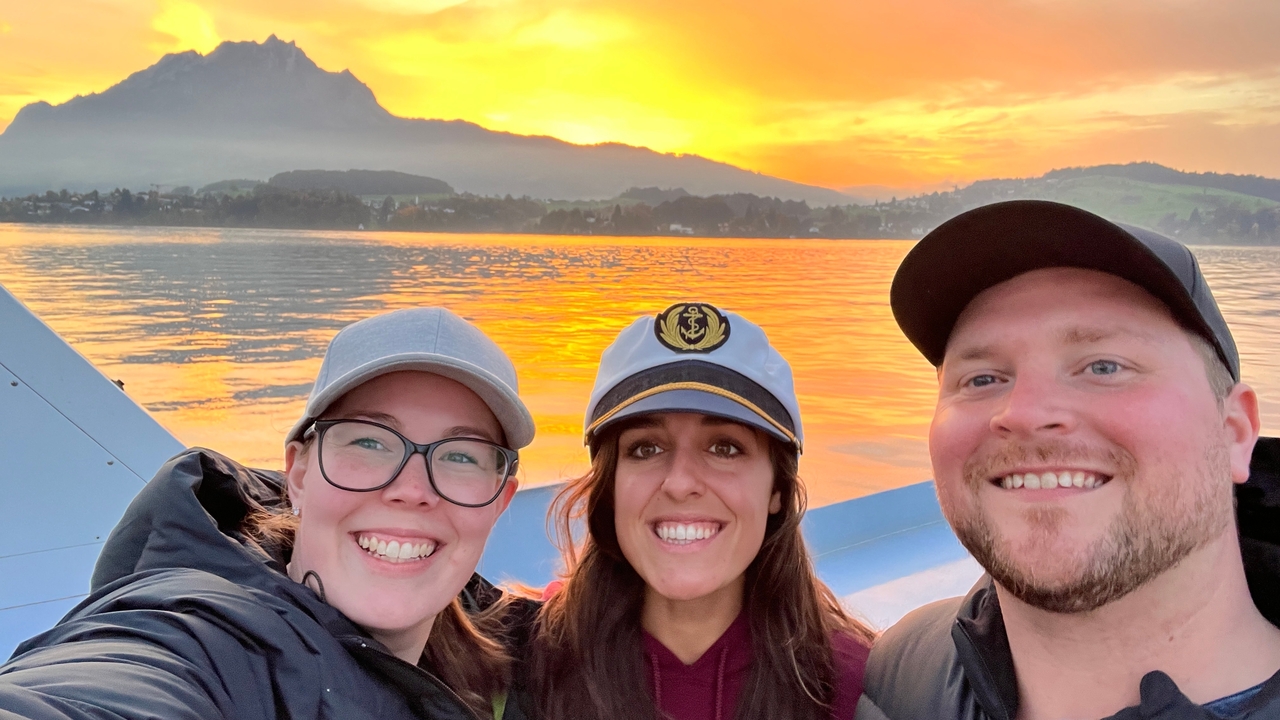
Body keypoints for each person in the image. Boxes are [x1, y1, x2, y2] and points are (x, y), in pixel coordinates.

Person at [0, 307, 537, 720]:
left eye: (461, 455)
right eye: (370, 443)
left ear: (500, 501)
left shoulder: (512, 653)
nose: (412, 488)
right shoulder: (200, 636)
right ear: (298, 474)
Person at [857, 200, 1280, 719]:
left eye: (1103, 366)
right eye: (983, 379)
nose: (1025, 413)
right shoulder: (901, 671)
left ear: (1236, 432)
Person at [526, 302, 874, 720]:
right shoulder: (524, 665)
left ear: (776, 491)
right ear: (611, 486)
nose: (680, 482)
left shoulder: (854, 688)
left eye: (725, 447)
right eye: (646, 448)